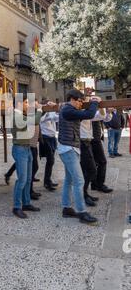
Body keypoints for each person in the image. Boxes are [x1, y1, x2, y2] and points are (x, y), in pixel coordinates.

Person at [58, 90, 99, 225]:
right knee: (79, 181)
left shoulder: (68, 110)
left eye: (83, 101)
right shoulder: (68, 110)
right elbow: (89, 113)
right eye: (80, 101)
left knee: (69, 180)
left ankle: (67, 208)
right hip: (68, 149)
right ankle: (82, 212)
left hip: (70, 148)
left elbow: (86, 115)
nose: (81, 104)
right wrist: (94, 102)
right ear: (73, 99)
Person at [11, 96, 41, 219]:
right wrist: (39, 109)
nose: (28, 105)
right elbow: (35, 120)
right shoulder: (16, 116)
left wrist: (37, 107)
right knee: (22, 180)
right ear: (19, 104)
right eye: (26, 102)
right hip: (20, 150)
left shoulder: (21, 115)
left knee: (28, 179)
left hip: (26, 148)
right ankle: (17, 207)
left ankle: (26, 203)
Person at [80, 106, 112, 208]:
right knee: (90, 167)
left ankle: (93, 186)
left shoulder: (91, 110)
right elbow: (99, 116)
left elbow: (104, 117)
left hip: (93, 139)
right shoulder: (85, 111)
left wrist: (105, 110)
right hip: (87, 141)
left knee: (94, 165)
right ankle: (85, 193)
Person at [40, 110, 59, 192]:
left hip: (52, 137)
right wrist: (46, 112)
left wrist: (56, 111)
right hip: (45, 137)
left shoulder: (52, 112)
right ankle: (47, 182)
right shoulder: (41, 113)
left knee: (51, 161)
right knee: (50, 160)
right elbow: (41, 120)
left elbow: (57, 119)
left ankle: (48, 180)